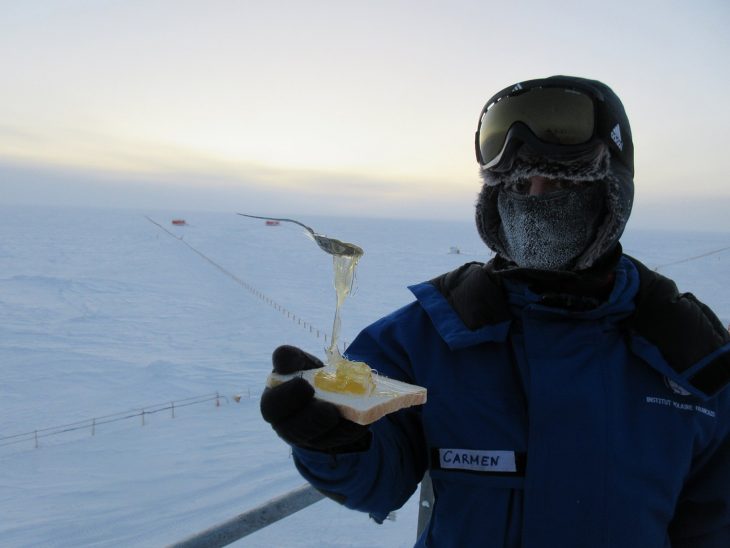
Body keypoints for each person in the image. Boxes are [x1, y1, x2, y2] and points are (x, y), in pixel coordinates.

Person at [260, 76, 730, 547]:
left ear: (611, 196)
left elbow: (714, 524)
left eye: (561, 183)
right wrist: (336, 441)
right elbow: (379, 479)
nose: (535, 200)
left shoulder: (692, 356)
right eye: (520, 185)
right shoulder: (432, 333)